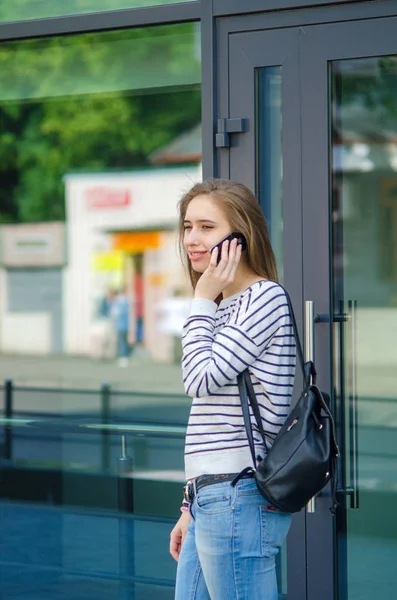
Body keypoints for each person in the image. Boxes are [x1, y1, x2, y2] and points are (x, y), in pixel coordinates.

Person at [169, 179, 296, 600]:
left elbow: (199, 378)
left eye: (207, 227)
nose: (192, 239)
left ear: (240, 236)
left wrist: (202, 297)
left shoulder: (264, 298)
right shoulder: (223, 306)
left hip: (239, 494)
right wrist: (191, 504)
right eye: (188, 226)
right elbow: (207, 411)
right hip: (212, 496)